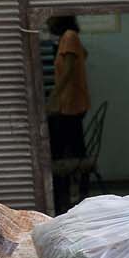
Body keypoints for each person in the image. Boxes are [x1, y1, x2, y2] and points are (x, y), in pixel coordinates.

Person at [46, 14, 90, 213]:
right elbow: (84, 55)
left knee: (63, 153)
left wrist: (54, 95)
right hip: (71, 103)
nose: (47, 23)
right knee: (72, 149)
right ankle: (74, 195)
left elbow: (69, 69)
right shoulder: (70, 38)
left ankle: (69, 197)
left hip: (70, 104)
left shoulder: (69, 36)